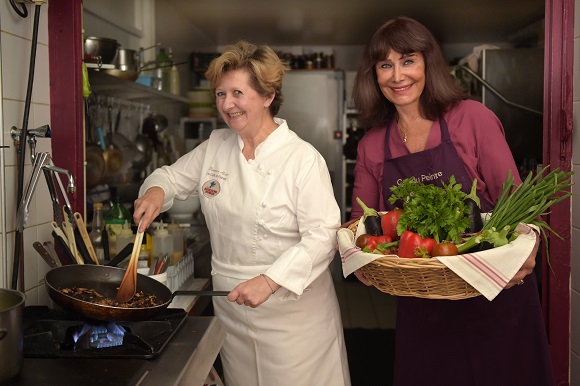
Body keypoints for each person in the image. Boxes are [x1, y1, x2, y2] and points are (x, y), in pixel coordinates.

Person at [347, 16, 555, 386]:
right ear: (373, 75)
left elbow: (517, 201)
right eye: (385, 65)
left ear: (429, 63)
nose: (397, 76)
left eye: (408, 60)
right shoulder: (371, 146)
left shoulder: (471, 119)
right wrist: (359, 260)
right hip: (424, 302)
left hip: (493, 292)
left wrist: (529, 248)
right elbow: (361, 228)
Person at [133, 40, 351, 386]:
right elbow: (170, 177)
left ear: (267, 96)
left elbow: (324, 235)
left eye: (237, 93)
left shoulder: (302, 159)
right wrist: (157, 191)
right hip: (232, 307)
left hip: (292, 317)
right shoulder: (216, 146)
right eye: (220, 94)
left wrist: (269, 280)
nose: (227, 104)